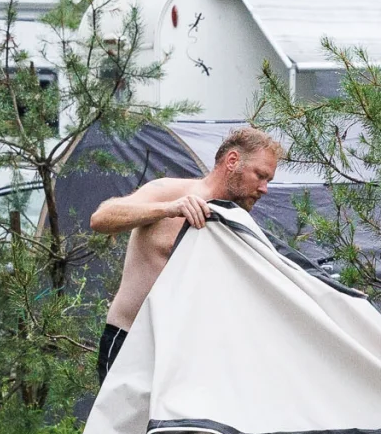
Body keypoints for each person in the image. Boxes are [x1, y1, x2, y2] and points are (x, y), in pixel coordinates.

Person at [87, 127, 285, 377]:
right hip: (130, 342)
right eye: (260, 175)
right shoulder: (172, 193)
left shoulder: (237, 225)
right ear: (232, 161)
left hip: (190, 354)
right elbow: (101, 219)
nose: (264, 189)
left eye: (268, 180)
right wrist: (168, 209)